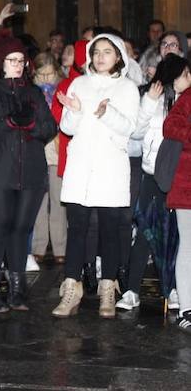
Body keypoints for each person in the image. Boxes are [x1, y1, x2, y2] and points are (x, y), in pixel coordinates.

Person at [0, 35, 56, 312]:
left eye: (20, 60)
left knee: (21, 229)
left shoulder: (34, 93)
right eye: (11, 60)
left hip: (30, 171)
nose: (17, 65)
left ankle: (17, 287)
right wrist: (6, 123)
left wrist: (31, 126)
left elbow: (49, 128)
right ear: (0, 63)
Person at [53, 34, 140, 318]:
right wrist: (76, 111)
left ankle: (107, 288)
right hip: (81, 166)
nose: (101, 56)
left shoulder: (127, 88)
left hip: (110, 167)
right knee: (76, 228)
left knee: (110, 231)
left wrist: (108, 113)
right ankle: (71, 287)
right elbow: (67, 127)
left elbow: (130, 129)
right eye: (97, 52)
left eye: (107, 52)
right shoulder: (79, 83)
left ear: (118, 58)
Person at [117, 54, 191, 311]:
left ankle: (174, 289)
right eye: (183, 74)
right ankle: (132, 290)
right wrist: (148, 103)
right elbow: (135, 132)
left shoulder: (188, 101)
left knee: (176, 236)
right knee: (147, 232)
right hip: (153, 174)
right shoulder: (154, 98)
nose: (187, 78)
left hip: (180, 176)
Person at [31, 52, 66, 265]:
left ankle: (60, 246)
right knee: (39, 202)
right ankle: (39, 245)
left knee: (59, 200)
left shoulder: (62, 91)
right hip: (37, 150)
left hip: (56, 150)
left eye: (49, 74)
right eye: (41, 74)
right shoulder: (32, 93)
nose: (45, 79)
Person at [164, 61, 191, 332]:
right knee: (189, 245)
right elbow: (170, 126)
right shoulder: (188, 98)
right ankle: (187, 307)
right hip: (187, 183)